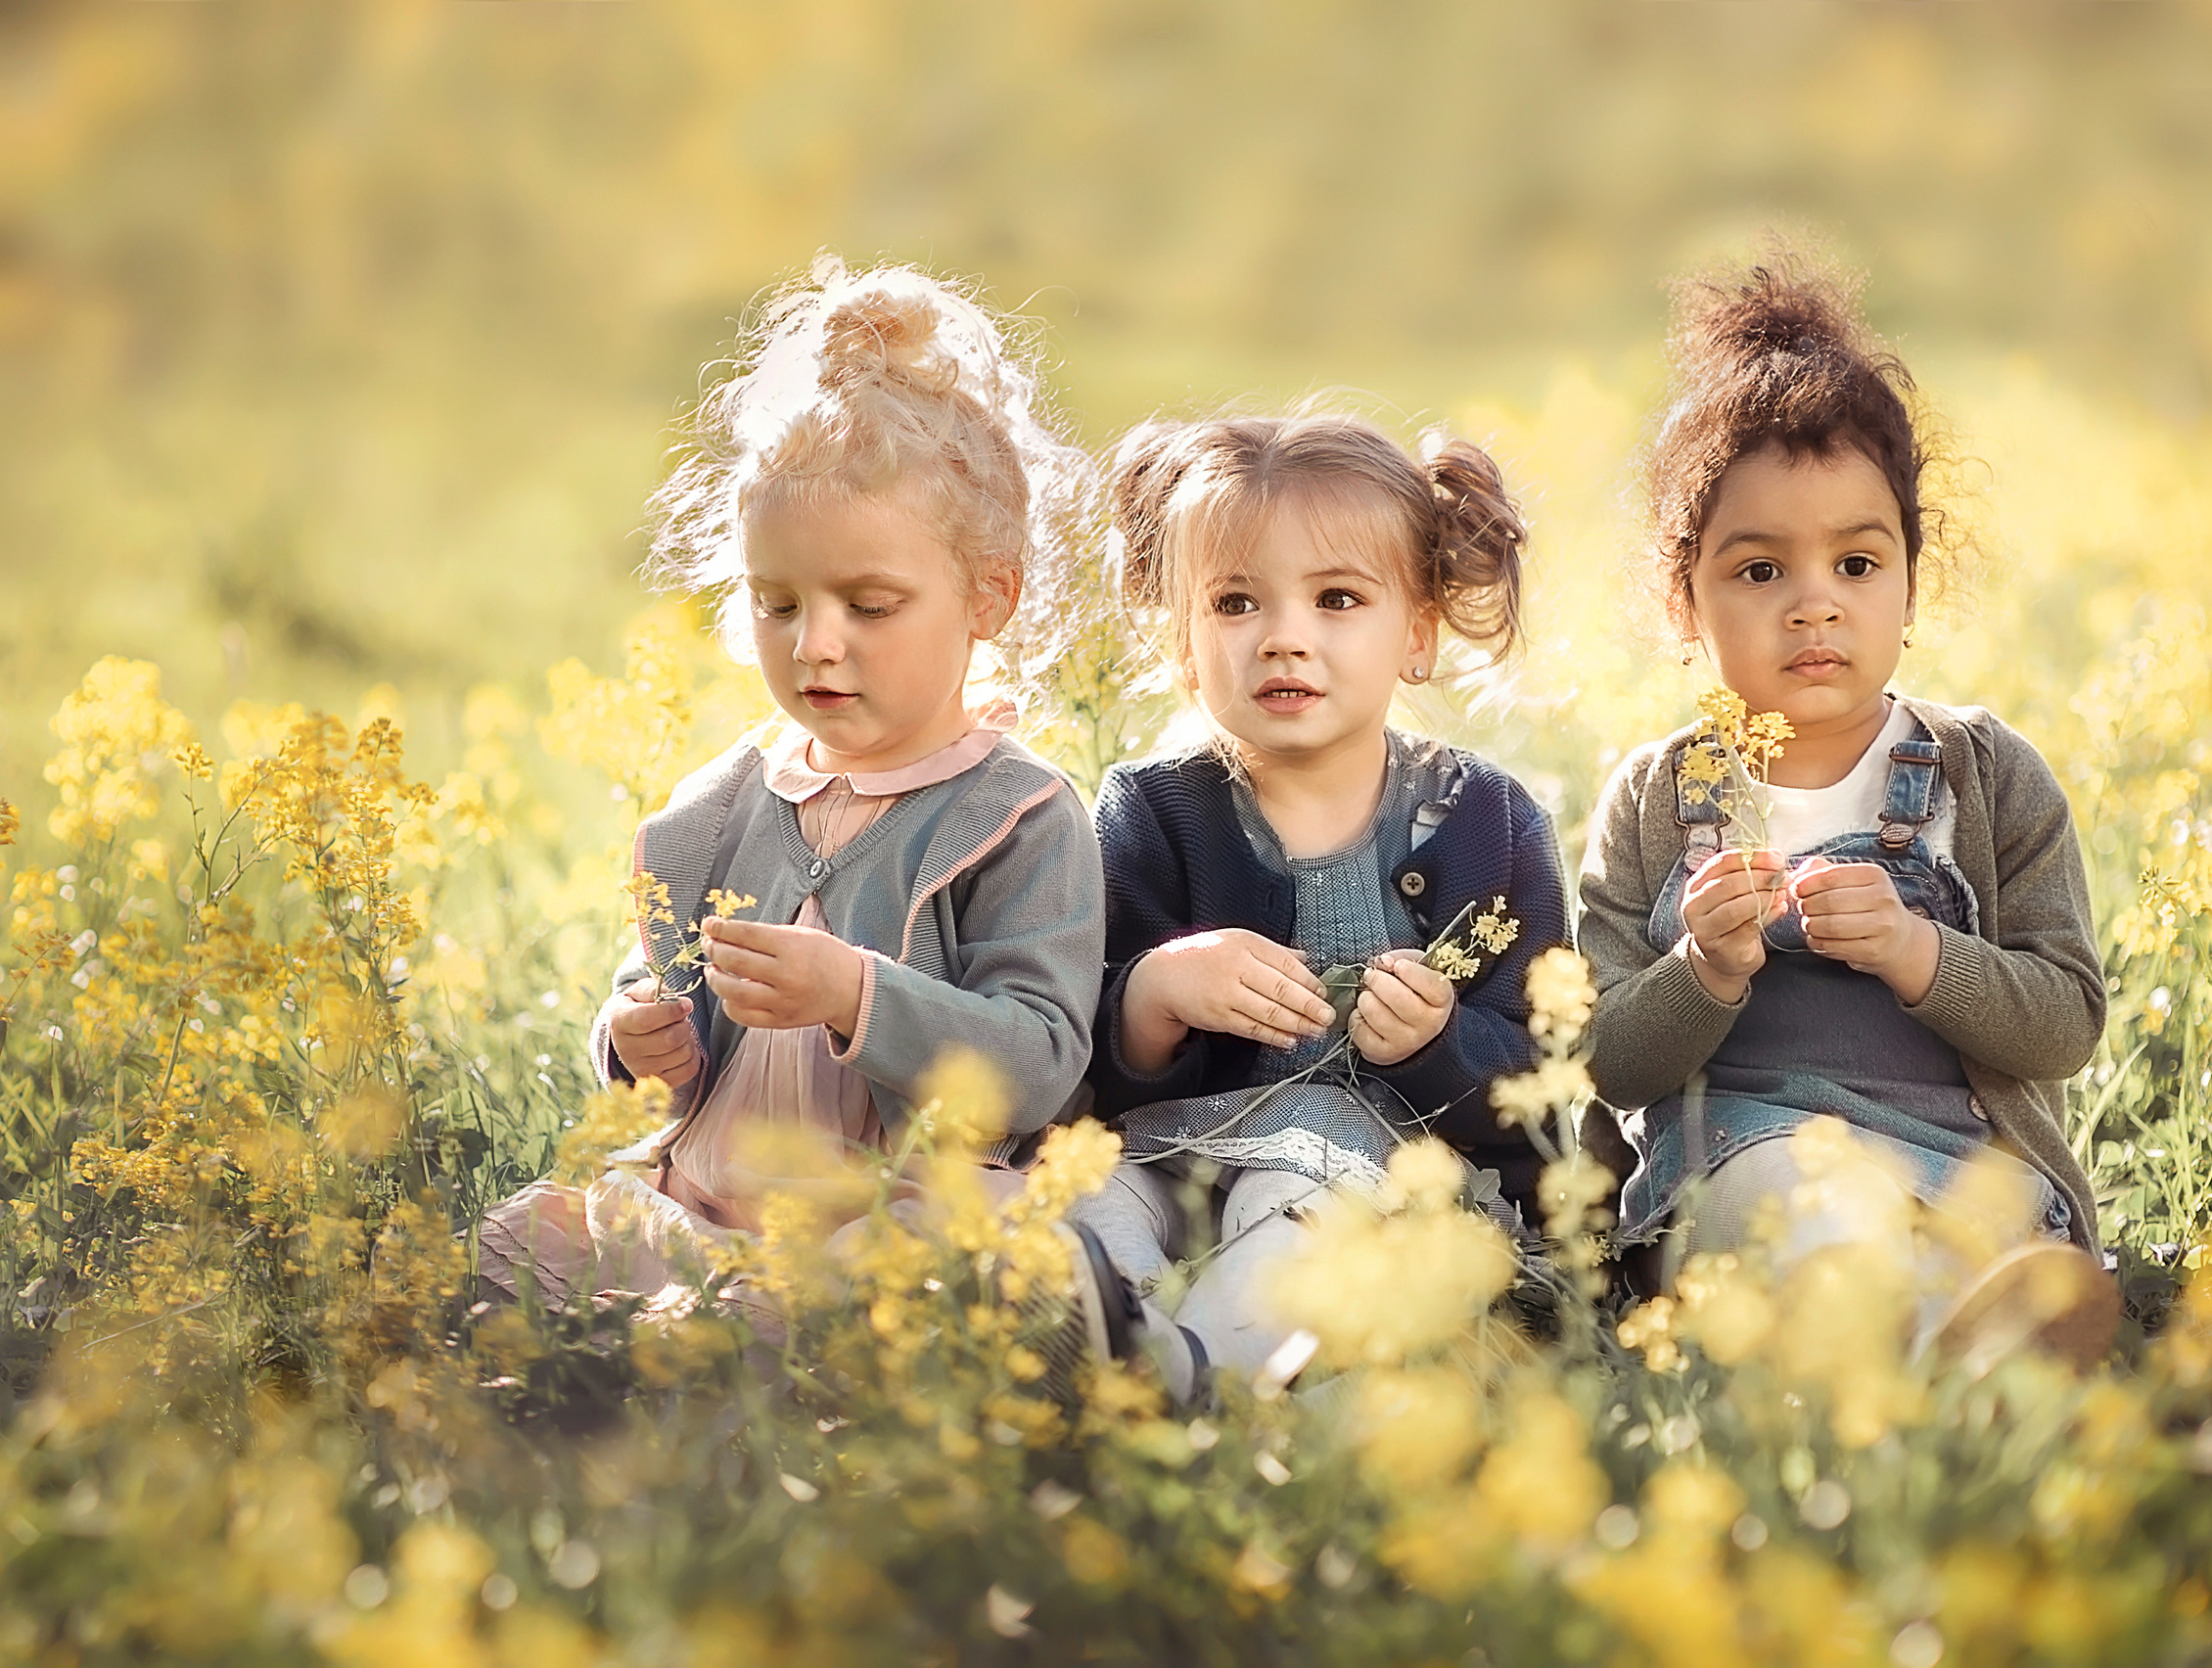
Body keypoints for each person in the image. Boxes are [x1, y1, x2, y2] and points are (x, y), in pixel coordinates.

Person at [478, 258, 1123, 1364]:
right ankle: (693, 1329)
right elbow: (660, 986)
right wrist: (637, 1040)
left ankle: (721, 1348)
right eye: (777, 603)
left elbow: (1039, 1059)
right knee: (506, 1246)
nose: (816, 642)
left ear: (988, 598)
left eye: (870, 606)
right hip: (708, 1189)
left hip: (890, 1204)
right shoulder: (730, 800)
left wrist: (857, 995)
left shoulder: (1018, 815)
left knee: (900, 1276)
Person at [1576, 253, 2116, 1365]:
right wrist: (1704, 971)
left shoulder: (1985, 775)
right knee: (1820, 1216)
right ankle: (1939, 1366)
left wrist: (1922, 952)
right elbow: (1603, 1059)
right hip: (1741, 1164)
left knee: (1939, 1237)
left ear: (1911, 586)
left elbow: (2064, 1022)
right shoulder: (1656, 796)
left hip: (1960, 1167)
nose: (1814, 601)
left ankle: (1944, 1346)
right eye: (1760, 572)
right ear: (1687, 600)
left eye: (1857, 563)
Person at [1075, 413, 1569, 1400]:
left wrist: (1437, 1042)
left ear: (1417, 637)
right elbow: (1072, 1050)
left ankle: (1187, 1385)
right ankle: (1103, 1334)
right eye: (1234, 603)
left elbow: (1543, 1084)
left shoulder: (1484, 821)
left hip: (1368, 1178)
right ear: (1182, 643)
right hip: (1166, 1150)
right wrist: (1158, 993)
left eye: (1336, 598)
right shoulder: (1153, 810)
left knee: (1289, 1205)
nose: (1284, 638)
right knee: (1092, 1208)